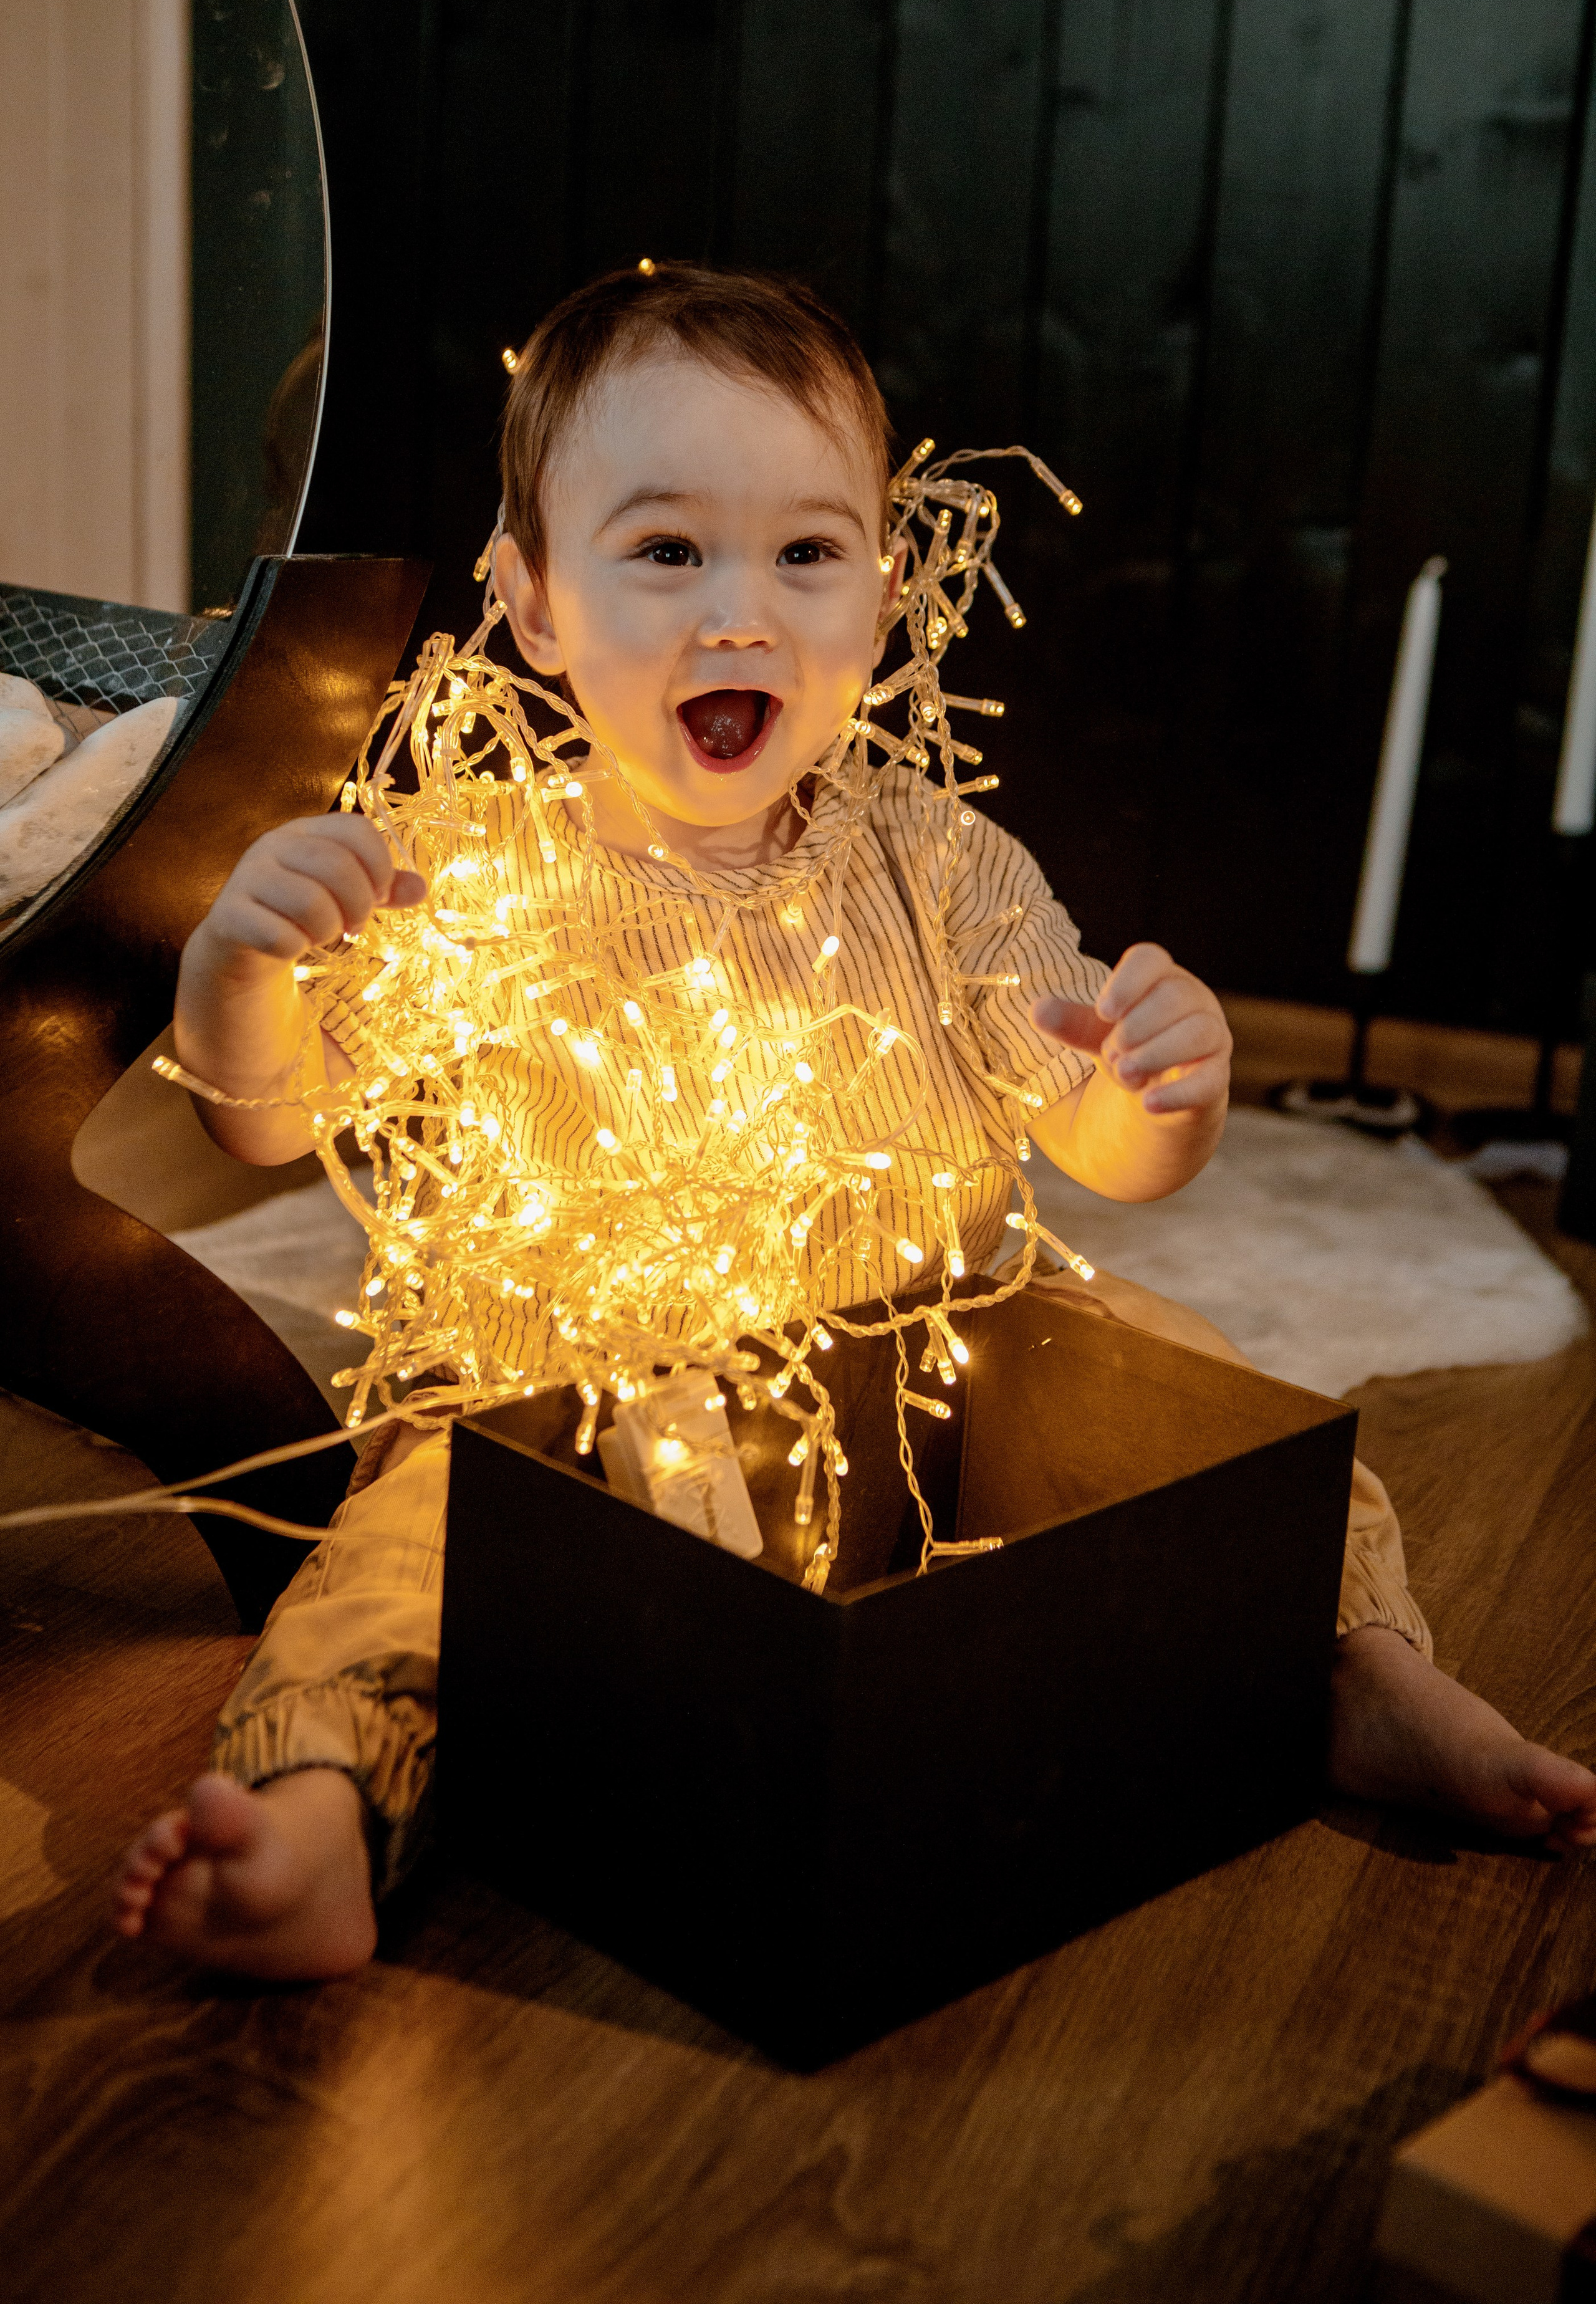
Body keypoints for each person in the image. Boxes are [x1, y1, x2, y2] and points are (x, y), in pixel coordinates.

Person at [112, 264, 1596, 1981]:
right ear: (532, 604)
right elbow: (266, 1126)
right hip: (562, 1431)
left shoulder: (941, 865)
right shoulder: (467, 858)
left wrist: (1155, 1093)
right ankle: (314, 1816)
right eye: (667, 551)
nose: (740, 612)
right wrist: (243, 966)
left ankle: (1359, 1673)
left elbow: (1103, 1150)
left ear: (886, 598)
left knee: (1176, 1375)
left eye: (805, 554)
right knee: (397, 1559)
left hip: (918, 1390)